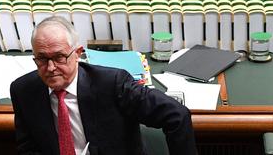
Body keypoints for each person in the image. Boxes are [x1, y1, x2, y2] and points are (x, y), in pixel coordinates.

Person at [10, 16, 197, 154]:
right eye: (42, 59)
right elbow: (28, 148)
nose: (50, 68)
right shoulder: (24, 91)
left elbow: (177, 115)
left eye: (59, 57)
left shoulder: (113, 84)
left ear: (78, 53)